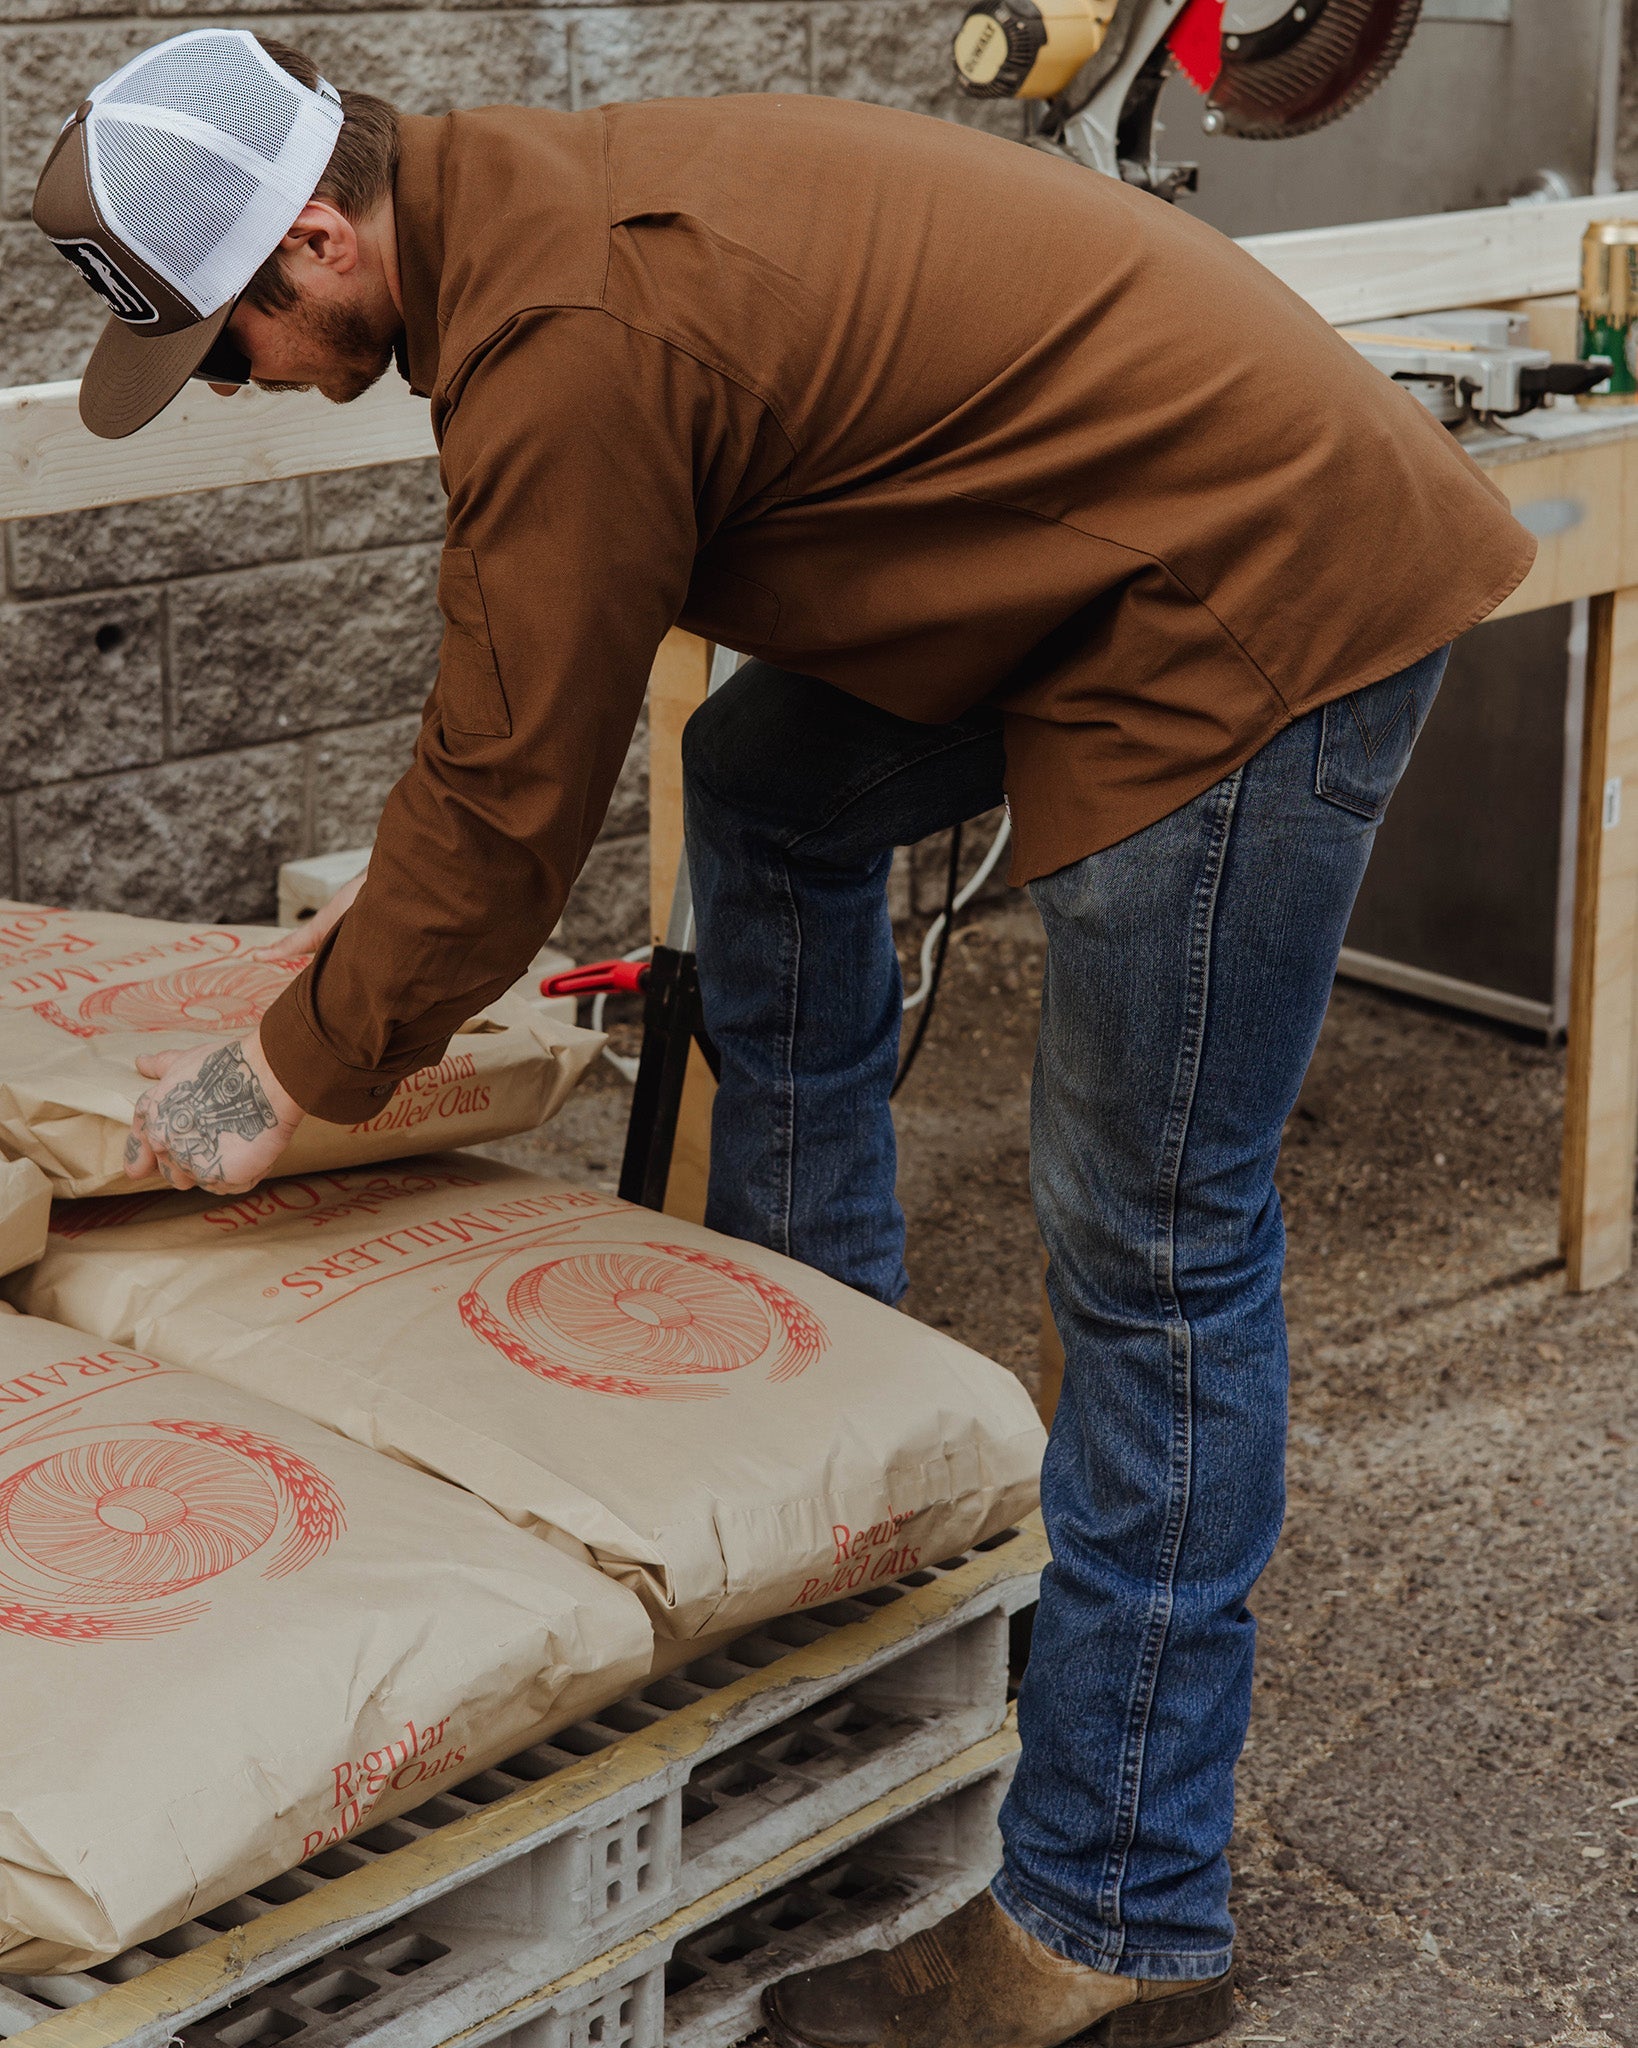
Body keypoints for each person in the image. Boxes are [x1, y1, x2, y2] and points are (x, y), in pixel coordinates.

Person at [33, 29, 1533, 2045]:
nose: (238, 386)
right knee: (768, 785)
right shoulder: (514, 224)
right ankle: (837, 1436)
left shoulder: (559, 335)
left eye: (222, 348)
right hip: (1093, 559)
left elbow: (497, 816)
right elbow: (525, 699)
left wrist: (285, 1071)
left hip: (1245, 599)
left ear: (315, 242)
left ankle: (1119, 1913)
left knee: (1158, 1251)